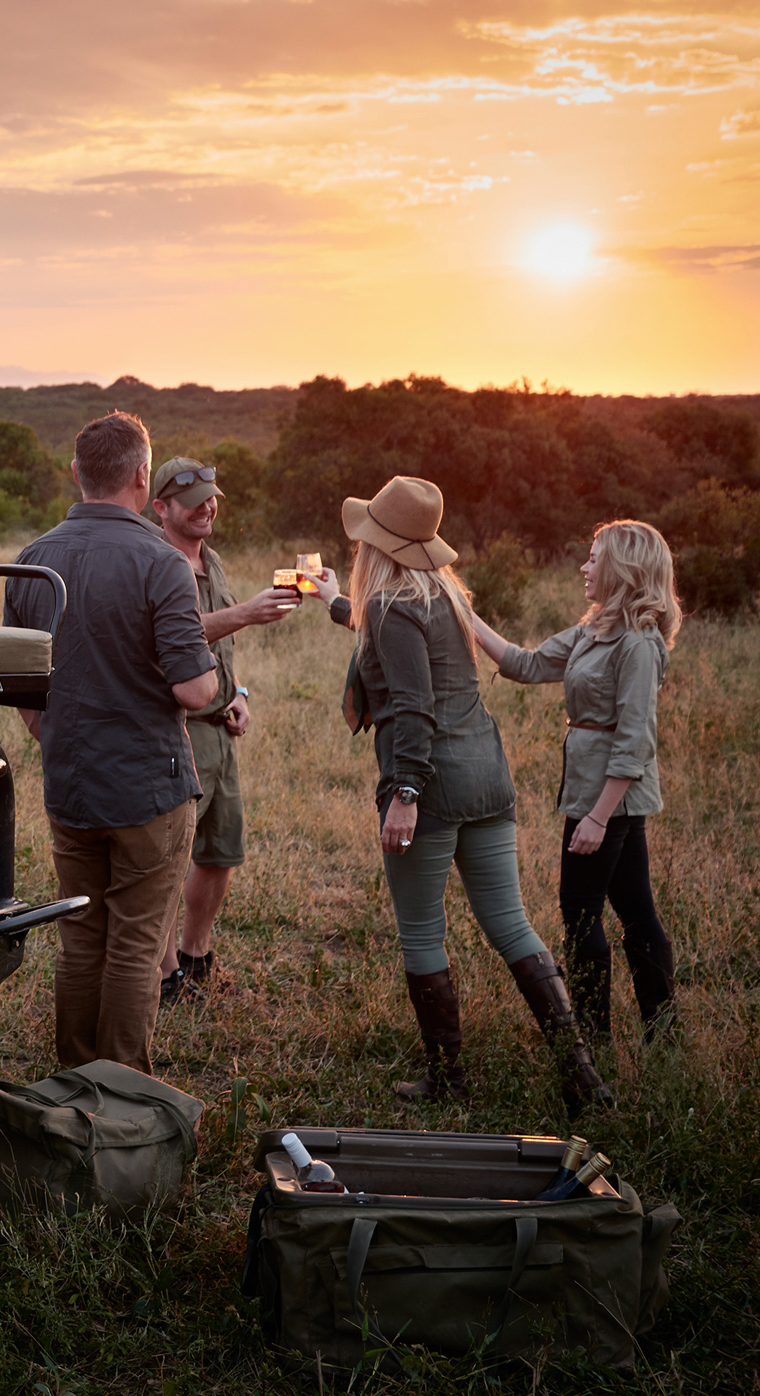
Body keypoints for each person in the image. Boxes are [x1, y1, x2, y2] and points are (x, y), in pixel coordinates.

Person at [309, 476, 613, 1117]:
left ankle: (449, 1080)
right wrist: (336, 601)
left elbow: (414, 708)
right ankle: (582, 1078)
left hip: (432, 781)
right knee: (510, 923)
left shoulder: (394, 606)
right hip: (486, 774)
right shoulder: (443, 594)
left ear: (377, 547)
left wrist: (406, 793)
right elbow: (379, 634)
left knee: (422, 934)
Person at [4, 412, 220, 1074]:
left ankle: (73, 1082)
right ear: (140, 476)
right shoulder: (161, 563)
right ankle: (122, 1094)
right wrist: (217, 686)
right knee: (133, 946)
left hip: (69, 784)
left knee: (81, 941)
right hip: (148, 788)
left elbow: (23, 693)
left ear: (76, 475)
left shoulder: (31, 561)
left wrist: (60, 734)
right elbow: (193, 691)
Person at [468, 521, 681, 1043]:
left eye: (593, 558)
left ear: (623, 568)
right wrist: (465, 615)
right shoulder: (596, 630)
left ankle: (592, 1038)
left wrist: (597, 816)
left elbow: (635, 739)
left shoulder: (637, 643)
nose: (584, 568)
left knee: (581, 914)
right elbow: (525, 664)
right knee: (635, 907)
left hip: (608, 799)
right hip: (596, 792)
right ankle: (660, 1031)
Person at [143, 456, 301, 1003]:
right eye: (194, 501)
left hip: (219, 728)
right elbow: (171, 641)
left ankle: (195, 957)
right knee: (170, 857)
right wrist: (247, 614)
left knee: (219, 852)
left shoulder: (214, 561)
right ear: (161, 507)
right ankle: (163, 978)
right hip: (175, 730)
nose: (207, 507)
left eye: (212, 497)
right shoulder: (155, 562)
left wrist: (240, 694)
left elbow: (218, 650)